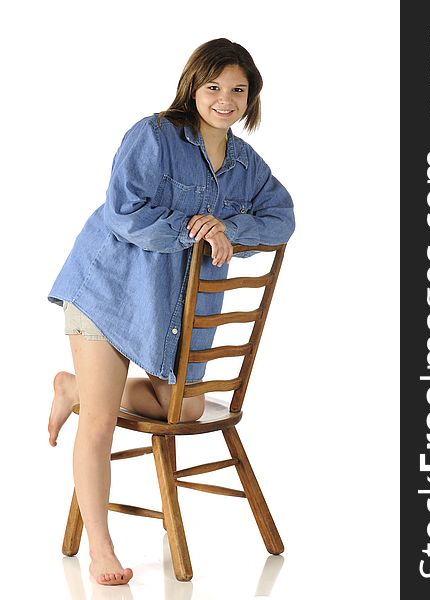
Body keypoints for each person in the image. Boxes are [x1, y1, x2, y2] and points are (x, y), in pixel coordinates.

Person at [47, 37, 295, 586]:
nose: (225, 99)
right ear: (193, 87)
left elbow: (282, 218)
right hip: (108, 288)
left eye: (238, 90)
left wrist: (230, 227)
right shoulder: (155, 136)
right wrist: (193, 229)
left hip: (169, 308)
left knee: (181, 408)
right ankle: (102, 549)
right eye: (214, 87)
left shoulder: (246, 165)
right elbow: (125, 212)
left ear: (251, 98)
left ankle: (75, 389)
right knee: (102, 424)